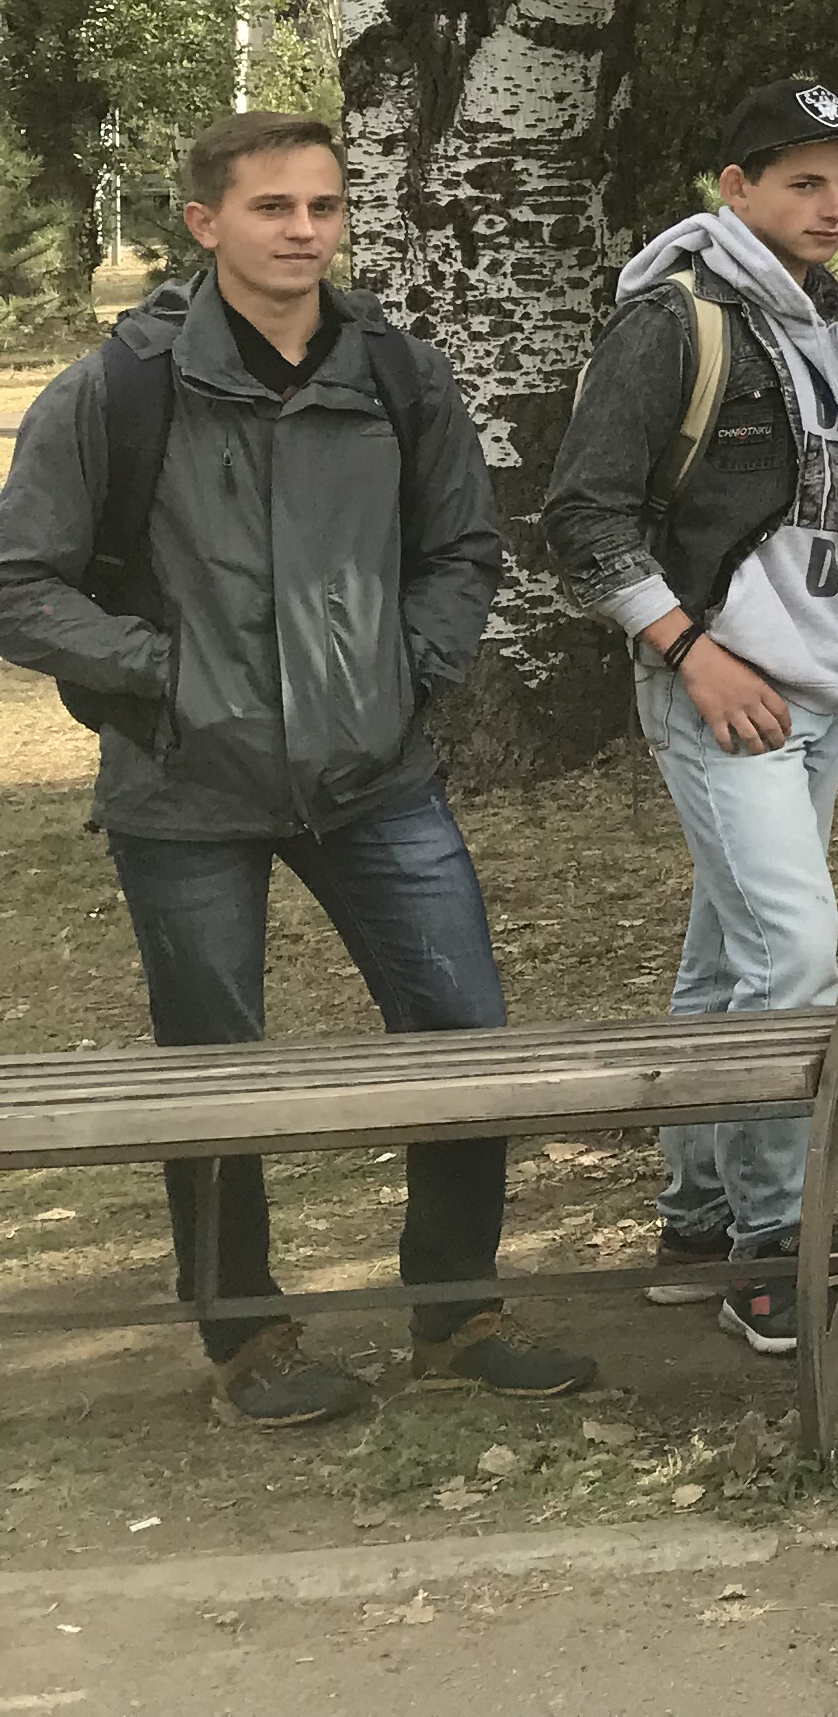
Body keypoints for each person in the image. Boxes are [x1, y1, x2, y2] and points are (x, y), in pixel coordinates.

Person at [0, 111, 591, 1423]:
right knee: (214, 1069)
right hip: (183, 789)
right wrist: (169, 675)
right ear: (205, 222)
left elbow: (462, 551)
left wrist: (407, 674)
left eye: (324, 206)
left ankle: (459, 1314)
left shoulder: (397, 375)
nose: (305, 231)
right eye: (273, 207)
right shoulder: (119, 391)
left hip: (375, 777)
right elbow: (19, 583)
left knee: (462, 1032)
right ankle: (247, 1339)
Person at [545, 79, 838, 1358]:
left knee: (728, 966)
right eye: (804, 182)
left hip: (810, 679)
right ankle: (775, 1250)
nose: (834, 205)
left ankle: (697, 1225)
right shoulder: (673, 320)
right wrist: (691, 656)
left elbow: (827, 502)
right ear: (735, 188)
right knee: (794, 959)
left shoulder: (820, 313)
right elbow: (582, 514)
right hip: (721, 691)